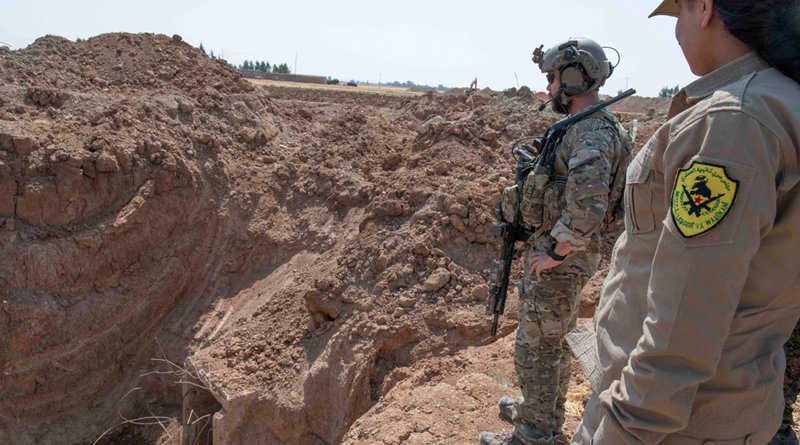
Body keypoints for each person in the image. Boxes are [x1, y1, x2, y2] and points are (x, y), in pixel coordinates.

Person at [568, 1, 800, 444]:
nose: (676, 33)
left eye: (679, 15)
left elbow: (686, 315)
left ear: (705, 8)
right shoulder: (776, 102)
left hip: (671, 422)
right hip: (717, 404)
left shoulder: (732, 122)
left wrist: (625, 429)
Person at [480, 38, 632, 445]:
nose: (548, 87)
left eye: (551, 78)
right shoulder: (585, 126)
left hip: (563, 256)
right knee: (550, 339)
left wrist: (555, 252)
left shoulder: (591, 132)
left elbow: (587, 206)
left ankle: (534, 434)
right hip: (560, 250)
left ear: (571, 77)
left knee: (540, 346)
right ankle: (537, 409)